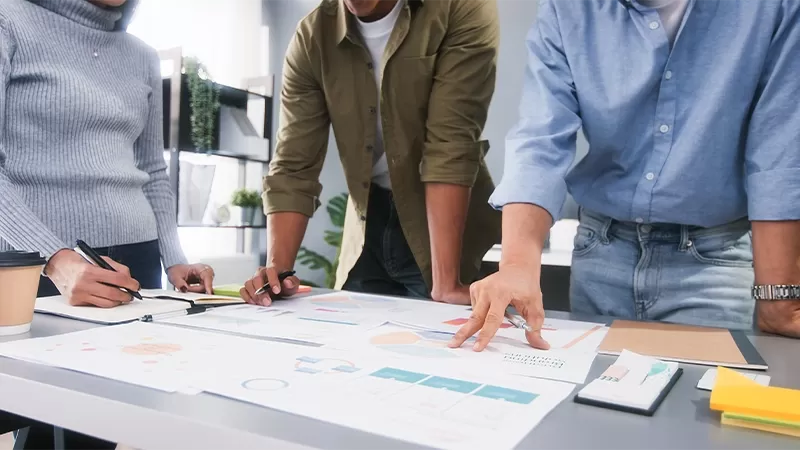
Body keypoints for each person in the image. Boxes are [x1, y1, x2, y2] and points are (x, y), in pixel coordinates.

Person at [450, 0, 800, 352]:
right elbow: (541, 139)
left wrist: (778, 296)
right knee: (592, 396)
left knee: (698, 400)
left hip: (713, 261)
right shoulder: (567, 7)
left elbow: (778, 151)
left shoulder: (769, 8)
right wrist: (516, 266)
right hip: (602, 248)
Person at [0, 0, 215, 447]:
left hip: (135, 265)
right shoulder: (9, 19)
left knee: (98, 428)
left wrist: (175, 259)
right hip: (36, 267)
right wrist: (56, 260)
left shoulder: (141, 54)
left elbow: (152, 170)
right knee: (42, 414)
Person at [240, 0, 501, 305]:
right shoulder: (312, 37)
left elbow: (450, 145)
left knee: (448, 344)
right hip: (367, 228)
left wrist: (445, 283)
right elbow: (294, 165)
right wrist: (278, 273)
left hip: (445, 231)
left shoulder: (462, 8)